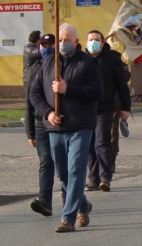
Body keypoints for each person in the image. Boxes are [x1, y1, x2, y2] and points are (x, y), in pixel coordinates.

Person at [29, 23, 103, 232]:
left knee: (76, 170)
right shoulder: (48, 62)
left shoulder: (87, 63)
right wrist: (48, 113)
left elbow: (97, 92)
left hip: (80, 125)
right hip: (55, 128)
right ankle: (83, 205)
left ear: (77, 42)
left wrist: (67, 88)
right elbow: (35, 94)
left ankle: (68, 218)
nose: (63, 44)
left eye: (67, 40)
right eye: (60, 40)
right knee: (63, 174)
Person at [84, 30, 131, 192]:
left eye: (96, 40)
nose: (93, 42)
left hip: (105, 108)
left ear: (103, 43)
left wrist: (126, 107)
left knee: (102, 141)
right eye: (90, 39)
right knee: (89, 145)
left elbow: (122, 85)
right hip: (86, 109)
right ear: (85, 43)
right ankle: (93, 179)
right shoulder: (81, 60)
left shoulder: (112, 59)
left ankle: (105, 176)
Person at [25, 33, 56, 217]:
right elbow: (29, 101)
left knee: (62, 165)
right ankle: (45, 200)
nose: (46, 48)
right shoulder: (34, 69)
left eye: (50, 45)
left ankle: (76, 202)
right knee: (46, 161)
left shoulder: (63, 67)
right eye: (43, 45)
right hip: (40, 124)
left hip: (61, 124)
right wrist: (29, 132)